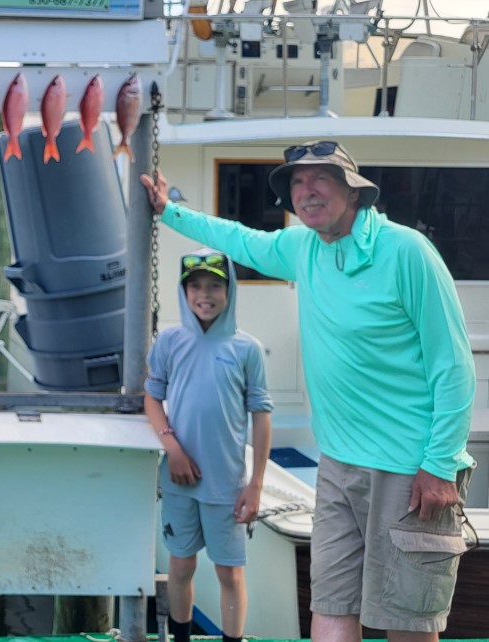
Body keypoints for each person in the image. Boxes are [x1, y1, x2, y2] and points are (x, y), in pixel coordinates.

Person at [141, 141, 476, 642]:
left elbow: (453, 367)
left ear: (353, 190)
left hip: (409, 468)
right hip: (337, 465)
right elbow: (239, 239)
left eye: (319, 178)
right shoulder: (303, 248)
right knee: (331, 606)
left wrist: (440, 463)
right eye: (296, 183)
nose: (306, 191)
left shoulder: (407, 252)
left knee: (405, 621)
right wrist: (170, 211)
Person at [145, 249, 273, 642]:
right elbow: (152, 399)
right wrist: (173, 448)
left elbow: (261, 415)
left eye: (215, 285)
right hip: (179, 480)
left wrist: (255, 486)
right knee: (181, 567)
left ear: (229, 290)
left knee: (229, 572)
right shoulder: (168, 341)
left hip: (226, 485)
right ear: (184, 293)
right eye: (196, 286)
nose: (205, 294)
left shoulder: (247, 348)